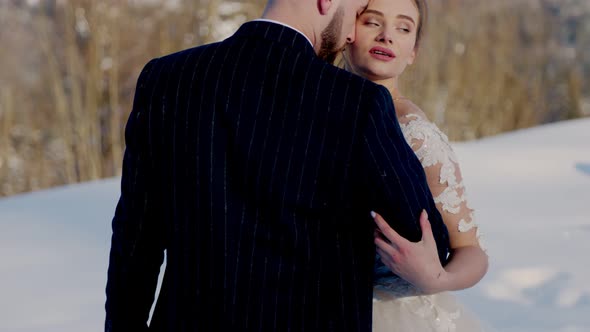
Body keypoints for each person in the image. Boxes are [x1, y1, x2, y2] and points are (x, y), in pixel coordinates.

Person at [105, 0, 453, 331]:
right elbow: (426, 240)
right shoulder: (357, 101)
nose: (350, 34)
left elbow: (136, 241)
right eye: (355, 11)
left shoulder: (167, 78)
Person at [341, 0, 490, 330]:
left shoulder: (415, 134)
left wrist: (436, 278)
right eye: (372, 23)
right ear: (347, 31)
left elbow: (471, 251)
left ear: (413, 52)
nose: (387, 36)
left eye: (403, 28)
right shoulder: (312, 113)